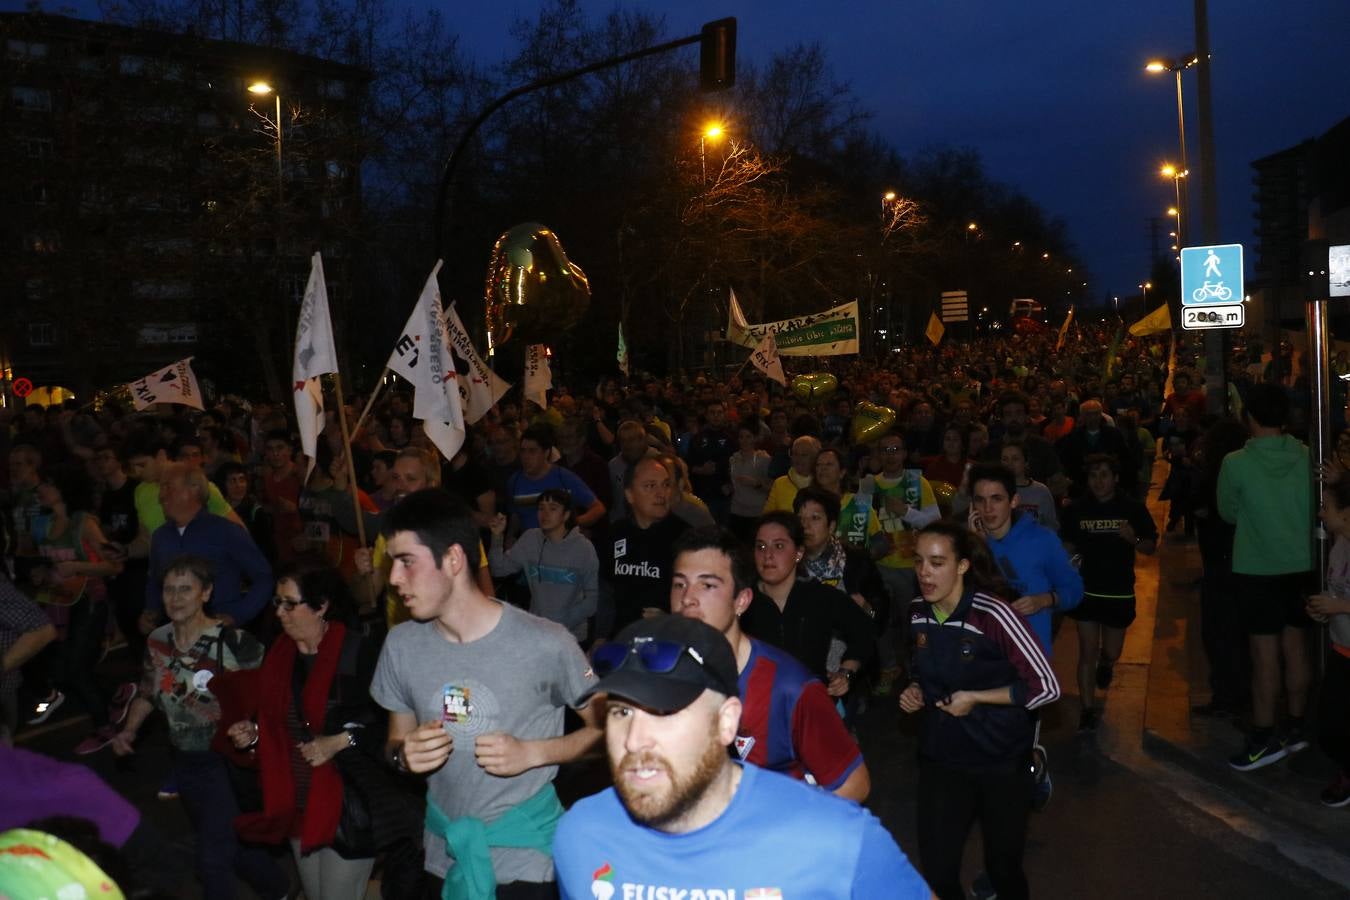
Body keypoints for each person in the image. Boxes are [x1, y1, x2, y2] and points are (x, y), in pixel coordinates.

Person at [553, 614, 931, 900]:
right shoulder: (580, 836)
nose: (634, 741)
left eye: (664, 713)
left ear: (726, 721)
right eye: (622, 712)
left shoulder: (836, 842)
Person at [370, 489, 601, 899]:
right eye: (393, 563)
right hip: (444, 853)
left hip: (528, 857)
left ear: (454, 559)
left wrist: (535, 753)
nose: (393, 578)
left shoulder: (545, 643)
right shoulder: (401, 645)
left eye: (406, 562)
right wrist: (403, 757)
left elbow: (609, 730)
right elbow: (393, 742)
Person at [221, 562, 411, 900]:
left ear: (321, 605)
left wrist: (342, 740)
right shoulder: (279, 657)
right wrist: (254, 735)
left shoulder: (358, 653)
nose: (280, 612)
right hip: (296, 804)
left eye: (290, 604)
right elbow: (278, 728)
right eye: (277, 603)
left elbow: (391, 728)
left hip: (348, 805)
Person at [111, 556, 288, 900]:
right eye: (168, 590)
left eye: (185, 589)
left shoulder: (235, 642)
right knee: (234, 844)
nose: (175, 598)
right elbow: (149, 692)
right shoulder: (158, 641)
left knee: (211, 861)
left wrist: (252, 728)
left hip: (225, 761)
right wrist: (129, 730)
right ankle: (279, 890)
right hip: (184, 761)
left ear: (206, 593)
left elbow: (275, 695)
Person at [900, 522, 1060, 900]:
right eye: (919, 561)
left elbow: (1047, 686)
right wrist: (914, 690)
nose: (924, 572)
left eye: (937, 562)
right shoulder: (916, 613)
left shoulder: (994, 615)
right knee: (938, 871)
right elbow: (918, 668)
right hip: (941, 760)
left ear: (962, 566)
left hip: (999, 762)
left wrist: (976, 697)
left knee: (1003, 869)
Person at [670, 526, 870, 801]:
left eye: (707, 585)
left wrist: (777, 834)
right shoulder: (663, 673)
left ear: (741, 600)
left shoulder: (790, 689)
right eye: (679, 584)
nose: (687, 598)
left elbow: (854, 786)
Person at [968, 462, 1082, 806]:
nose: (988, 509)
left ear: (1014, 501)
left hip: (1027, 660)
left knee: (1017, 746)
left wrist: (1046, 599)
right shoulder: (969, 544)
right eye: (981, 500)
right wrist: (971, 547)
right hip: (983, 658)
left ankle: (1033, 764)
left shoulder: (1042, 540)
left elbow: (1074, 589)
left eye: (996, 499)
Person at [1218, 382, 1315, 771]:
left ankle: (1262, 737)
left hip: (1257, 568)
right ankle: (1296, 726)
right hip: (1303, 565)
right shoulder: (1308, 456)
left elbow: (1227, 512)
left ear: (1250, 418)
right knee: (1296, 649)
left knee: (1264, 657)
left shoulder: (1236, 463)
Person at [1060, 454, 1157, 731]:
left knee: (1111, 651)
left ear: (1115, 478)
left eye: (1104, 475)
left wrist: (1134, 539)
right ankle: (1088, 709)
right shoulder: (1076, 510)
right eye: (1093, 475)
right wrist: (1066, 561)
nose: (1098, 481)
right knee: (1086, 651)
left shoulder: (1132, 508)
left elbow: (1151, 545)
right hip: (1086, 591)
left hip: (1118, 591)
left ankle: (1108, 663)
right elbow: (1066, 544)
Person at [741, 510, 877, 692]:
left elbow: (864, 630)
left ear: (798, 553)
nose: (768, 555)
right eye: (761, 547)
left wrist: (846, 672)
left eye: (779, 546)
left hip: (811, 704)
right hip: (759, 707)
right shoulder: (741, 602)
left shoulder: (819, 596)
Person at [143, 464, 273, 633]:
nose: (161, 496)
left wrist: (237, 614)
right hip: (175, 635)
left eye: (168, 487)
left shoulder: (226, 531)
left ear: (194, 489)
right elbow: (154, 580)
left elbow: (264, 578)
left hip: (219, 636)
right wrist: (150, 612)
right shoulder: (161, 537)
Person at [488, 487, 599, 642]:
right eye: (541, 509)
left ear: (566, 515)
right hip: (537, 633)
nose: (545, 514)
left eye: (553, 509)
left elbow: (592, 599)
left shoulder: (583, 548)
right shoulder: (530, 539)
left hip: (571, 636)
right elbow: (498, 569)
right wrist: (497, 536)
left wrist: (561, 624)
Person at [601, 457, 688, 635]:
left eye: (665, 485)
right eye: (650, 486)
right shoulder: (616, 533)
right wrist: (601, 636)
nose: (661, 494)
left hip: (668, 641)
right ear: (630, 495)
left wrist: (670, 620)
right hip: (621, 640)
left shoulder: (686, 538)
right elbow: (605, 591)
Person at [1307, 476, 1350, 806]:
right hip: (1341, 648)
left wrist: (1337, 606)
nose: (1321, 514)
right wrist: (1324, 608)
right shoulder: (1339, 544)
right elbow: (1335, 589)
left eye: (1326, 507)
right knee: (1331, 722)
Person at [507, 425, 605, 533]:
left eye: (532, 451)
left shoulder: (563, 477)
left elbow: (598, 508)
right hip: (530, 545)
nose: (526, 457)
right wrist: (510, 538)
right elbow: (515, 516)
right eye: (523, 451)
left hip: (560, 544)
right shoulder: (515, 481)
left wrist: (571, 524)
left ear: (546, 453)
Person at [727, 419, 771, 541]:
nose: (744, 440)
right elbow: (734, 483)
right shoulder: (733, 459)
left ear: (755, 438)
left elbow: (771, 486)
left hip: (756, 512)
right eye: (741, 437)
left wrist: (755, 483)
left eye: (748, 437)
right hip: (736, 510)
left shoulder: (763, 459)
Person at [1000, 442, 1057, 532]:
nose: (1009, 463)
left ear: (1026, 462)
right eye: (1005, 459)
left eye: (1015, 459)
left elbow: (1051, 527)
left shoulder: (1041, 491)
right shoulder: (994, 490)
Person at [762, 435, 820, 513]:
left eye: (804, 455)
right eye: (795, 454)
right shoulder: (779, 483)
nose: (798, 458)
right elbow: (767, 516)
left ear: (815, 457)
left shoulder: (823, 483)